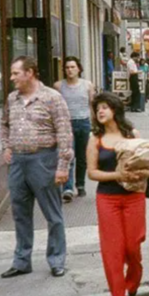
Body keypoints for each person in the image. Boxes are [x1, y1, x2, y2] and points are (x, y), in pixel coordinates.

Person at [0, 56, 73, 279]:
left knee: (52, 213)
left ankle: (56, 259)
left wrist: (63, 166)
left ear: (29, 72)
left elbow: (64, 133)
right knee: (20, 213)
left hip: (44, 160)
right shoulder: (12, 99)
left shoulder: (52, 98)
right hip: (18, 163)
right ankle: (22, 260)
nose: (12, 78)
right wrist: (5, 147)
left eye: (15, 73)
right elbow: (4, 124)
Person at [86, 92, 149, 296]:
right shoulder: (95, 139)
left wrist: (143, 171)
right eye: (97, 109)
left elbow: (144, 163)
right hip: (108, 199)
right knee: (112, 252)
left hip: (134, 197)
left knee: (133, 246)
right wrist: (117, 174)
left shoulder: (132, 135)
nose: (100, 112)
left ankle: (132, 280)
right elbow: (92, 172)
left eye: (104, 107)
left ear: (115, 109)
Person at [55, 56, 95, 202]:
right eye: (67, 67)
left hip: (84, 123)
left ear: (79, 69)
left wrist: (95, 125)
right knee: (68, 156)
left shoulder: (87, 85)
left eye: (73, 67)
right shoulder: (59, 86)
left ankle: (81, 184)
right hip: (67, 125)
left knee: (82, 157)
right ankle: (68, 188)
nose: (70, 70)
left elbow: (92, 105)